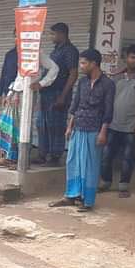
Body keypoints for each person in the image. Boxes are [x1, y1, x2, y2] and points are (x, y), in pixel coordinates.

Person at [49, 49, 115, 212]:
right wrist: (70, 126)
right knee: (73, 162)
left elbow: (108, 111)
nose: (81, 66)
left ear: (94, 64)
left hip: (94, 129)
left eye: (84, 63)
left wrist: (103, 132)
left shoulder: (108, 84)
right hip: (78, 126)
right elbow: (75, 105)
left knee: (90, 166)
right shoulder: (82, 83)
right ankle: (70, 196)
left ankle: (87, 200)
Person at [100, 45, 135, 198]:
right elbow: (108, 100)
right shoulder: (115, 77)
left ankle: (123, 186)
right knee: (106, 156)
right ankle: (105, 182)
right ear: (126, 58)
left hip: (131, 126)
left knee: (128, 157)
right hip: (112, 123)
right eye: (132, 57)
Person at [0, 49, 59, 168]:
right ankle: (8, 157)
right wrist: (10, 94)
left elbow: (54, 68)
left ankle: (22, 161)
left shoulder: (38, 53)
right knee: (8, 126)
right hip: (15, 92)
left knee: (23, 127)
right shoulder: (22, 53)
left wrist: (42, 83)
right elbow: (19, 78)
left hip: (27, 93)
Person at [36, 22, 80, 166]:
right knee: (42, 124)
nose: (51, 36)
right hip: (47, 93)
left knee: (56, 125)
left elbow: (73, 74)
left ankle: (54, 156)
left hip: (58, 93)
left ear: (62, 34)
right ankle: (43, 154)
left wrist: (63, 96)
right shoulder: (56, 50)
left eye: (53, 34)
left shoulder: (70, 51)